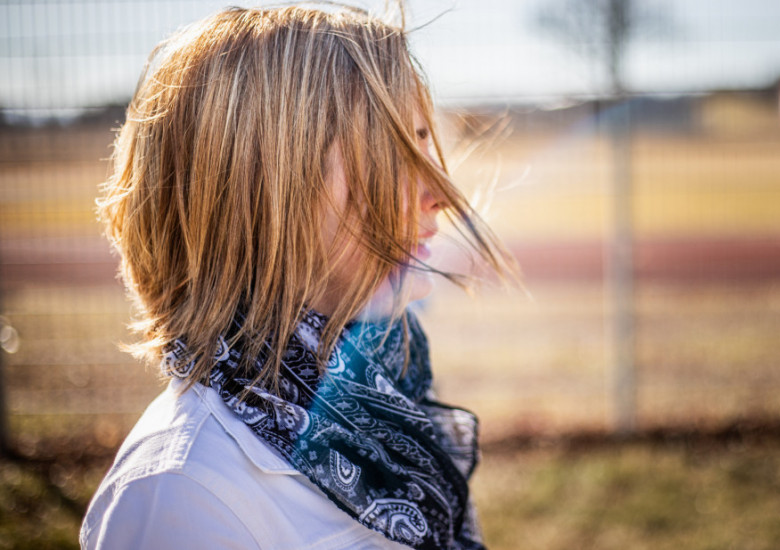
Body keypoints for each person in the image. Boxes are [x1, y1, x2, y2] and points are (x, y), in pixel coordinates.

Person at [80, 5, 514, 549]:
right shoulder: (183, 498)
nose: (444, 195)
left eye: (424, 139)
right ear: (262, 195)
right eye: (390, 154)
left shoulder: (381, 404)